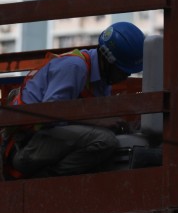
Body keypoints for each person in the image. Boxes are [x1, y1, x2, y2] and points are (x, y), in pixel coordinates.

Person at [3, 21, 145, 179]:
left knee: (113, 140)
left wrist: (123, 125)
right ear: (108, 61)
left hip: (45, 143)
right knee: (105, 141)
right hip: (27, 144)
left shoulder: (102, 82)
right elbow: (49, 116)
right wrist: (99, 122)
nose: (126, 77)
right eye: (123, 71)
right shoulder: (75, 67)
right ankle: (47, 180)